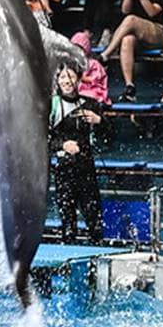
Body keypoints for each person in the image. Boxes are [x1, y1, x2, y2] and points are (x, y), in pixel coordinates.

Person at [50, 64, 106, 245]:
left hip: (86, 167)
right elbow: (40, 138)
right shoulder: (52, 105)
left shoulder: (90, 104)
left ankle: (97, 251)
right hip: (63, 169)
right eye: (63, 78)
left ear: (78, 79)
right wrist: (63, 144)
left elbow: (109, 134)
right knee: (68, 219)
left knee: (93, 217)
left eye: (71, 77)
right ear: (57, 81)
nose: (67, 81)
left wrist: (100, 121)